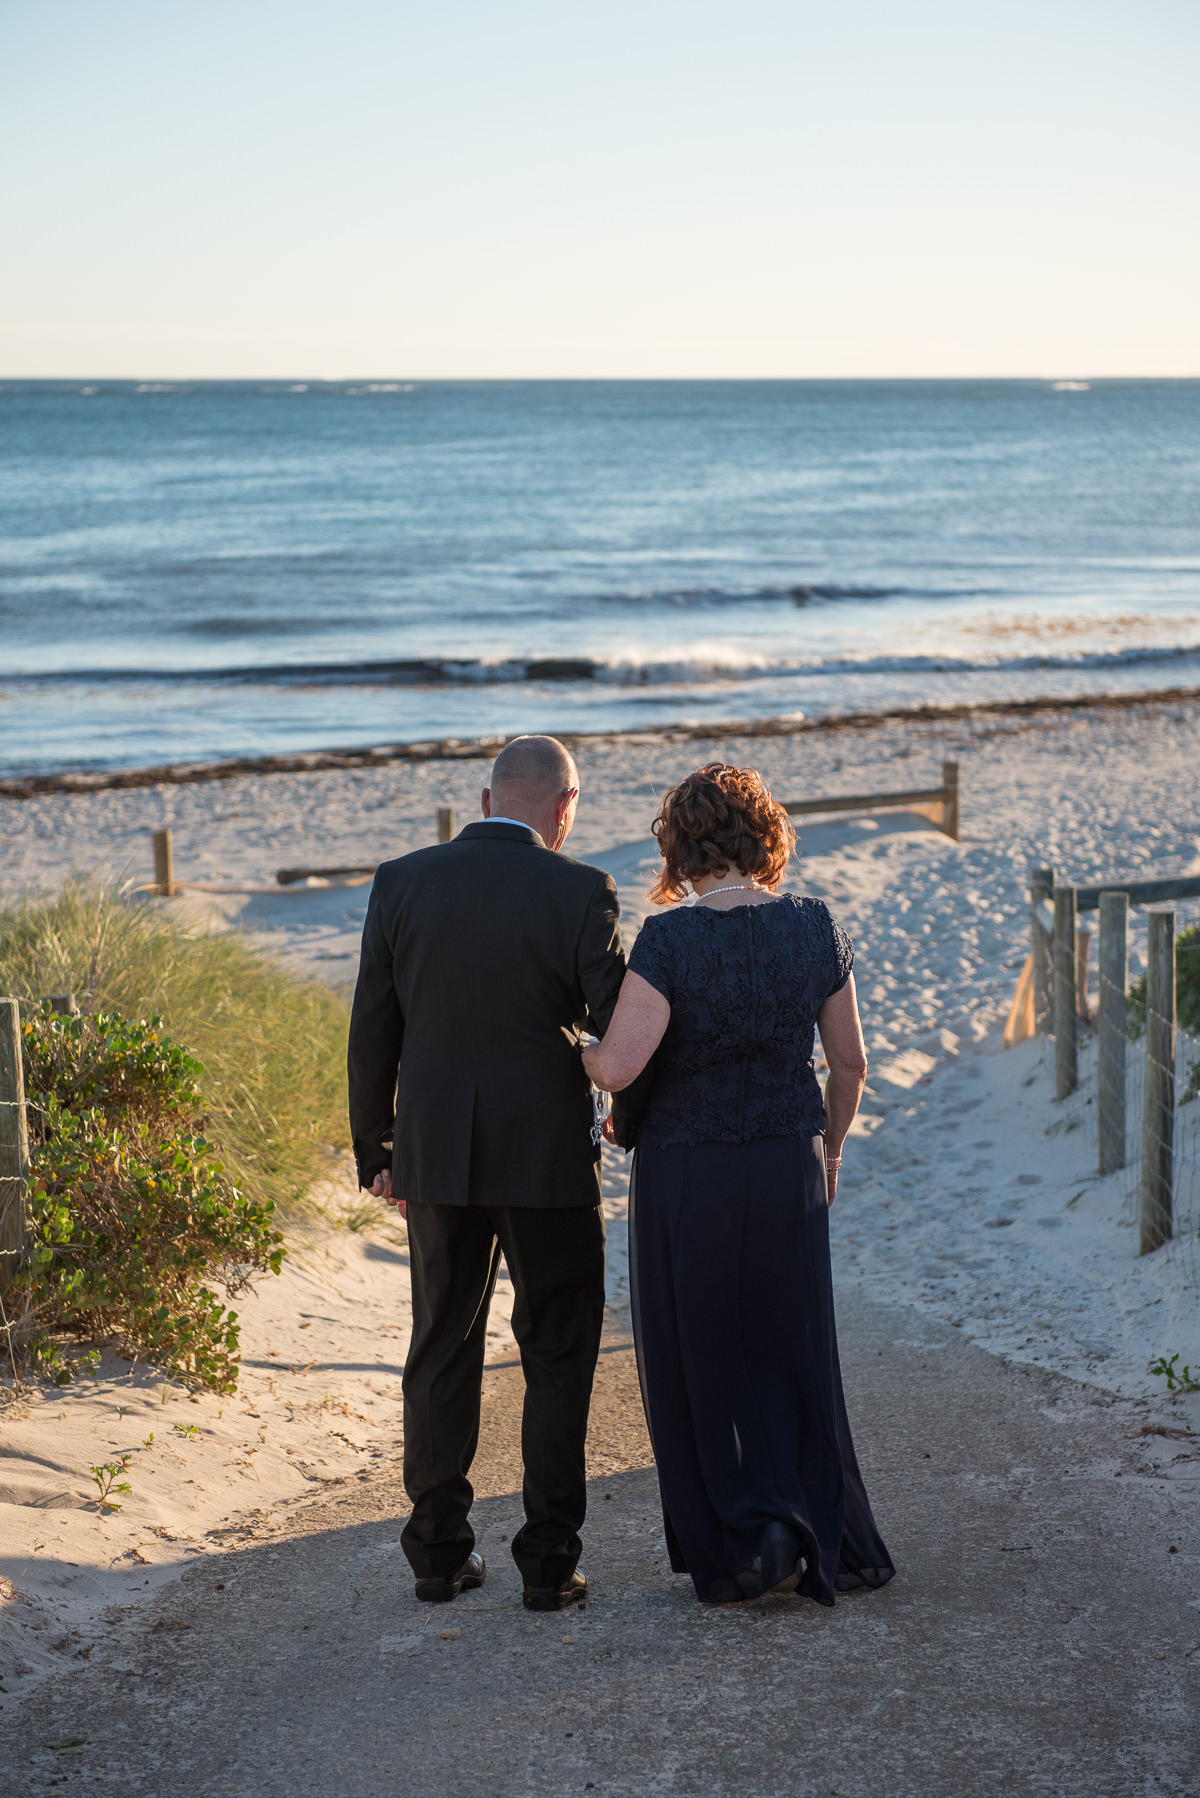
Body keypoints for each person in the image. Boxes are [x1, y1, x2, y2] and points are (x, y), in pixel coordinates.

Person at [583, 762, 895, 1606]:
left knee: (703, 1351)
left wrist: (569, 1043)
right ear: (767, 836)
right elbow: (851, 1063)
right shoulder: (816, 926)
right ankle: (811, 1525)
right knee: (791, 1348)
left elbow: (618, 1067)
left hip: (689, 1168)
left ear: (680, 847)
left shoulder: (671, 939)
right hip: (789, 1157)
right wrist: (828, 1153)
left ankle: (740, 1544)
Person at [347, 734, 627, 1613]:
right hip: (544, 1155)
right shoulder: (582, 890)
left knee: (441, 1344)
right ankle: (547, 1562)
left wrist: (377, 1152)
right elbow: (616, 1024)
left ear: (484, 798)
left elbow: (372, 1030)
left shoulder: (400, 881)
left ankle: (436, 1554)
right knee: (558, 1348)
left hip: (433, 1154)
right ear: (565, 805)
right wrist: (624, 1102)